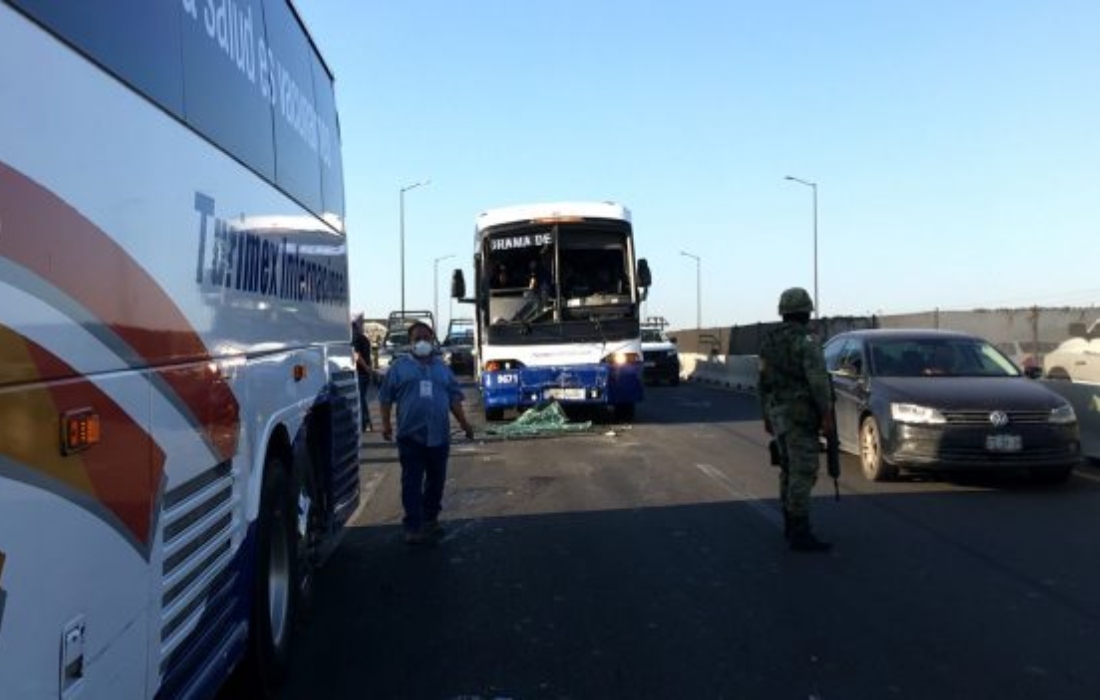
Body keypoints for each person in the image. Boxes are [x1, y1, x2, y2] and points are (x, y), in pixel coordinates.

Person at [378, 321, 475, 545]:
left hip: (439, 437)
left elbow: (454, 399)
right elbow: (385, 398)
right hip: (411, 437)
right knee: (411, 482)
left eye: (426, 338)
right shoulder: (399, 368)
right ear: (410, 342)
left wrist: (465, 424)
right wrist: (386, 425)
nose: (422, 342)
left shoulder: (442, 369)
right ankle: (413, 526)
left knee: (436, 482)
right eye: (417, 338)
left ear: (433, 341)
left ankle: (430, 519)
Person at [758, 287, 834, 552]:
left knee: (788, 470)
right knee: (803, 472)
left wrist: (766, 415)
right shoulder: (807, 341)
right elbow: (818, 381)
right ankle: (799, 532)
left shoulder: (768, 342)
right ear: (806, 312)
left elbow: (763, 382)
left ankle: (790, 524)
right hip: (801, 416)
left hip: (778, 413)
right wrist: (826, 414)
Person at [352, 318, 374, 432]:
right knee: (362, 399)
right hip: (365, 373)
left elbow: (357, 356)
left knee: (360, 399)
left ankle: (364, 423)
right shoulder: (364, 338)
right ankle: (367, 423)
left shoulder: (357, 340)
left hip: (361, 373)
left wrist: (366, 368)